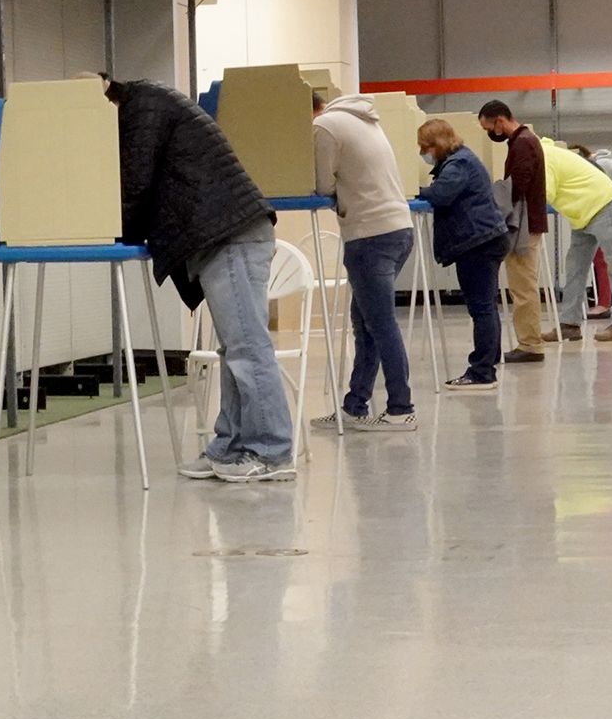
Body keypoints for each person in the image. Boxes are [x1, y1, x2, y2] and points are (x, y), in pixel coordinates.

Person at [108, 74, 293, 483]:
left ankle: (272, 451)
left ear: (107, 98)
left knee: (248, 348)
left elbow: (135, 184)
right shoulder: (151, 102)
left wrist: (106, 227)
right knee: (236, 350)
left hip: (230, 236)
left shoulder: (141, 108)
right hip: (225, 234)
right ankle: (228, 447)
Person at [310, 91, 416, 431]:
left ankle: (401, 409)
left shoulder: (325, 127)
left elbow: (322, 184)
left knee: (380, 325)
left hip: (369, 236)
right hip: (398, 231)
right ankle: (355, 405)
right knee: (367, 323)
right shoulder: (363, 120)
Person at [417, 118, 510, 390]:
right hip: (487, 238)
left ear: (438, 144)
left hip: (477, 243)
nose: (423, 153)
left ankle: (482, 372)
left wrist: (412, 191)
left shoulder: (458, 164)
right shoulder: (462, 159)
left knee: (480, 308)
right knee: (486, 307)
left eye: (425, 147)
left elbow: (441, 195)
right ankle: (489, 361)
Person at [541, 137, 612, 344]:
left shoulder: (544, 157)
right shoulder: (545, 154)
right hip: (581, 214)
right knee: (575, 267)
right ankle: (570, 324)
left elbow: (545, 195)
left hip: (603, 206)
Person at [477, 101, 549, 362]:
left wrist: (494, 200)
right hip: (529, 222)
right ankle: (529, 342)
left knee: (523, 288)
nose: (490, 134)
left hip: (524, 225)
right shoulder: (525, 140)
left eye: (489, 127)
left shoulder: (523, 143)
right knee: (523, 285)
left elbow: (517, 186)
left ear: (499, 121)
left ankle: (530, 344)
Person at [569, 143, 612, 319]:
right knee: (607, 261)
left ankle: (604, 303)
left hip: (601, 214)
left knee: (605, 262)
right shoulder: (606, 162)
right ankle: (606, 303)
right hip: (606, 214)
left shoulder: (601, 166)